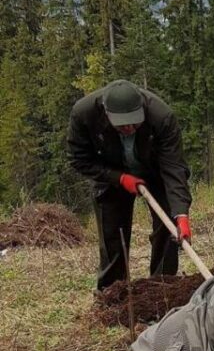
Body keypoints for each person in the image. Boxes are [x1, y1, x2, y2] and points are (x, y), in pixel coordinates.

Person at [67, 80, 192, 291]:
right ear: (106, 114)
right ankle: (112, 294)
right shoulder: (84, 114)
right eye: (122, 124)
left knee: (168, 230)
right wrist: (119, 178)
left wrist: (181, 214)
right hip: (111, 174)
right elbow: (79, 159)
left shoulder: (161, 117)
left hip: (156, 173)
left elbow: (174, 168)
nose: (129, 128)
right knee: (113, 237)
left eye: (134, 122)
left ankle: (161, 289)